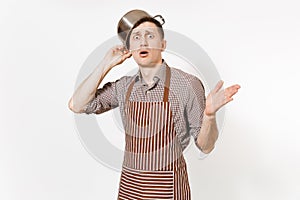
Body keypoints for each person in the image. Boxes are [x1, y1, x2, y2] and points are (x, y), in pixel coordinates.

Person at [68, 9, 240, 200]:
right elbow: (77, 105)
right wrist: (106, 64)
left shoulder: (187, 84)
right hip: (130, 189)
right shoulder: (123, 86)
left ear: (163, 45)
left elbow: (206, 147)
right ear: (130, 48)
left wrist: (208, 115)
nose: (143, 42)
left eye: (150, 36)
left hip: (168, 191)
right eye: (136, 37)